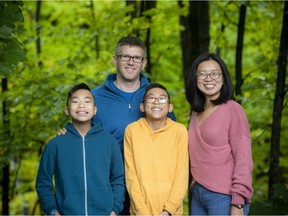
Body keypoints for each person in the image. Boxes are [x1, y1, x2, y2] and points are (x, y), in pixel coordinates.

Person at [36, 83, 125, 216]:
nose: (81, 105)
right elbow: (43, 183)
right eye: (75, 101)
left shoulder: (109, 142)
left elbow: (118, 179)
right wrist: (53, 211)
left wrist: (114, 210)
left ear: (95, 110)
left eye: (87, 101)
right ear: (67, 110)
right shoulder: (55, 145)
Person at [185, 53, 254, 215]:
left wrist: (238, 202)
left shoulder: (233, 109)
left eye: (214, 73)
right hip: (198, 194)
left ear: (223, 78)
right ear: (195, 79)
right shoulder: (196, 113)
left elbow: (243, 158)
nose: (209, 78)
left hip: (224, 196)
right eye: (202, 74)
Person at [124, 83, 188, 215]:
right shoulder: (132, 130)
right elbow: (131, 176)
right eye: (151, 98)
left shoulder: (179, 131)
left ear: (170, 107)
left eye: (163, 98)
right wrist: (142, 212)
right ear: (142, 106)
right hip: (140, 211)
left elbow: (182, 175)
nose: (157, 102)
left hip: (171, 212)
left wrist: (168, 211)